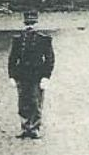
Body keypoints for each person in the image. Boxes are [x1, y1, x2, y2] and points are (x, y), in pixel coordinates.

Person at [7, 10, 55, 139]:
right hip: (22, 75)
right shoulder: (18, 39)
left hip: (37, 75)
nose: (30, 26)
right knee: (23, 102)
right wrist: (11, 75)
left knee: (35, 102)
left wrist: (46, 76)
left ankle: (34, 128)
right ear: (24, 23)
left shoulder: (44, 39)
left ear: (36, 23)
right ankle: (25, 127)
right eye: (28, 23)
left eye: (32, 23)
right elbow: (12, 59)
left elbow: (49, 59)